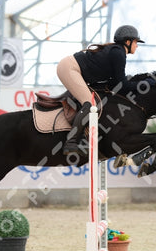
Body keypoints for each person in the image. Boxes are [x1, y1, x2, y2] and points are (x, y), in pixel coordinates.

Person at [56, 24, 145, 155]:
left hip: (72, 68)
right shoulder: (119, 53)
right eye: (136, 42)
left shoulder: (117, 51)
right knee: (90, 104)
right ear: (128, 41)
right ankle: (71, 142)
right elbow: (123, 86)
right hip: (70, 68)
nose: (137, 45)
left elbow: (115, 84)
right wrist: (143, 84)